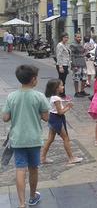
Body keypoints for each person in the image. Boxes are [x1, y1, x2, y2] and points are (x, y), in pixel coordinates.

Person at [2, 65, 50, 207]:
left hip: (17, 140)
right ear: (33, 79)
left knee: (20, 169)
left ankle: (21, 203)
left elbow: (5, 117)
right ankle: (32, 196)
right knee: (33, 168)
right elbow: (46, 117)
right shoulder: (39, 96)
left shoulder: (12, 96)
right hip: (34, 139)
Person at [41, 79, 83, 165]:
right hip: (57, 119)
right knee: (66, 138)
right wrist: (68, 107)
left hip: (52, 118)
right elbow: (60, 112)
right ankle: (71, 158)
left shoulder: (54, 97)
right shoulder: (56, 98)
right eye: (61, 85)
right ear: (56, 88)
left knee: (50, 139)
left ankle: (43, 157)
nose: (63, 87)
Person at [55, 33, 71, 98]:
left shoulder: (65, 45)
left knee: (63, 80)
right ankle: (61, 94)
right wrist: (60, 66)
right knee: (62, 81)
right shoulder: (60, 45)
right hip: (61, 64)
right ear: (62, 38)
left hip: (66, 64)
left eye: (67, 37)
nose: (66, 39)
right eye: (65, 37)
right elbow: (59, 56)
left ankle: (61, 93)